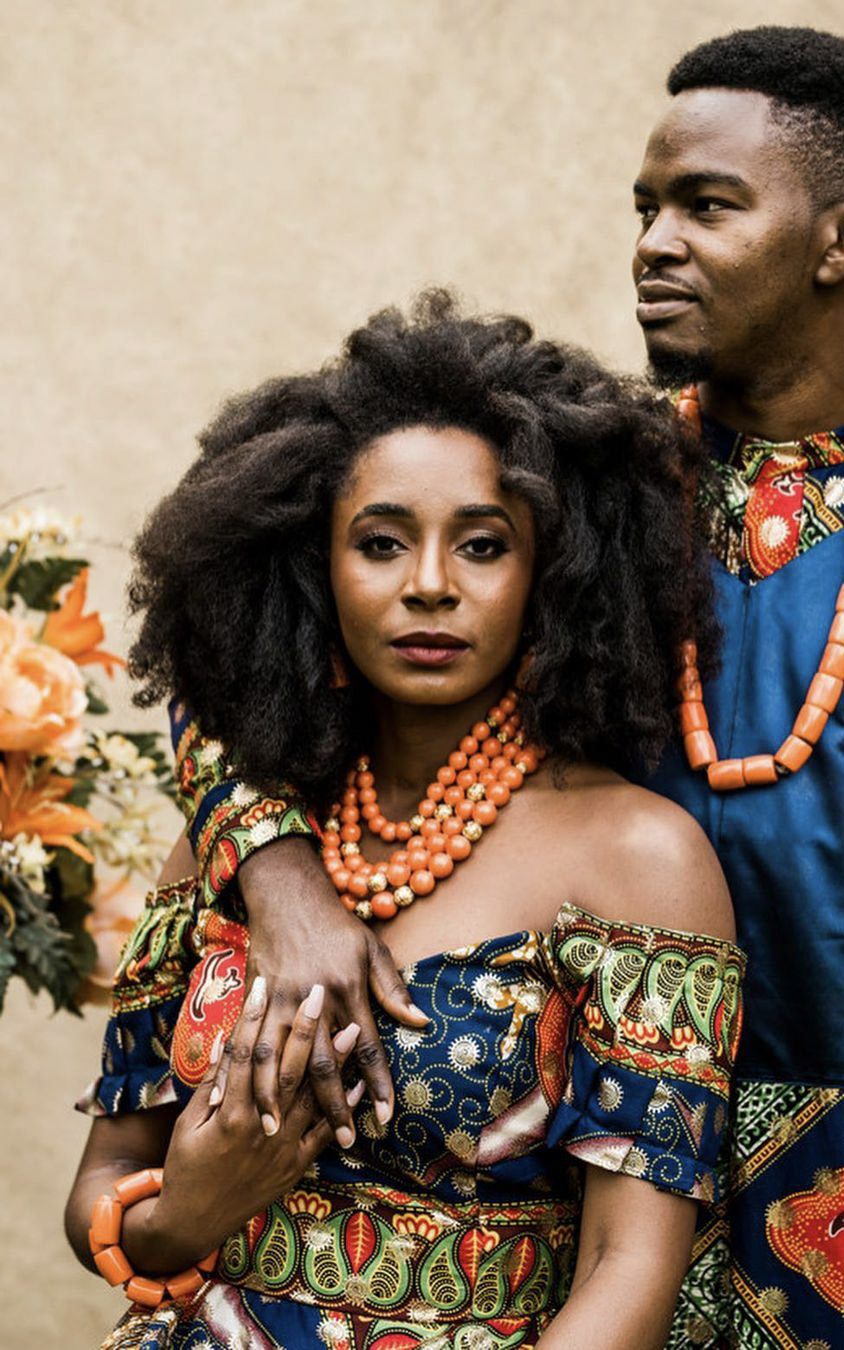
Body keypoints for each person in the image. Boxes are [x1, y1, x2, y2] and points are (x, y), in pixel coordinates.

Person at [147, 26, 844, 1350]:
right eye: (646, 208)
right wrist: (285, 881)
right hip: (566, 1222)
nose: (653, 241)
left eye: (705, 206)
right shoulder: (573, 492)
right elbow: (240, 665)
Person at [65, 295, 744, 1350]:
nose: (430, 586)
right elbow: (108, 1181)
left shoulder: (641, 859)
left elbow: (630, 1269)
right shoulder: (237, 841)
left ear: (554, 579)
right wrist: (186, 1214)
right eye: (381, 544)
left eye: (482, 546)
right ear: (311, 571)